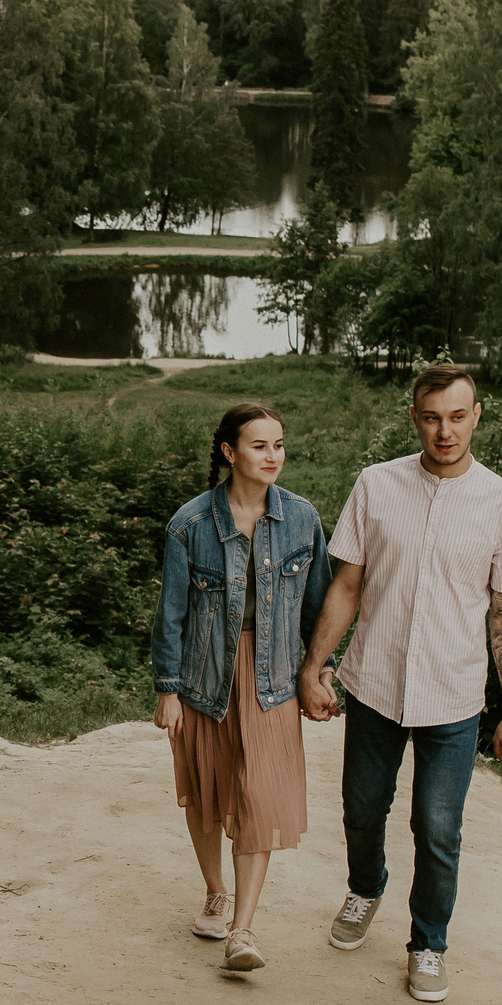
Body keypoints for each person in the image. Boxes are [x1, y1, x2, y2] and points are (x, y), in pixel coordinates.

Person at [303, 362, 502, 1003]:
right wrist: (313, 665)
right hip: (374, 685)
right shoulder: (376, 485)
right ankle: (366, 886)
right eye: (432, 417)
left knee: (437, 828)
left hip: (454, 697)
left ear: (477, 416)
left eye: (457, 417)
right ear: (415, 418)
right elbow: (347, 586)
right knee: (360, 809)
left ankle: (428, 945)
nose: (445, 431)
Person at [150, 403, 334, 973]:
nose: (273, 456)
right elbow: (170, 614)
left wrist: (319, 672)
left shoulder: (302, 520)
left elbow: (319, 607)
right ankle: (214, 890)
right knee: (207, 791)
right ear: (230, 453)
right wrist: (168, 687)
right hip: (206, 677)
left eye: (278, 444)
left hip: (273, 678)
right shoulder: (190, 524)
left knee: (259, 797)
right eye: (259, 446)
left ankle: (242, 930)